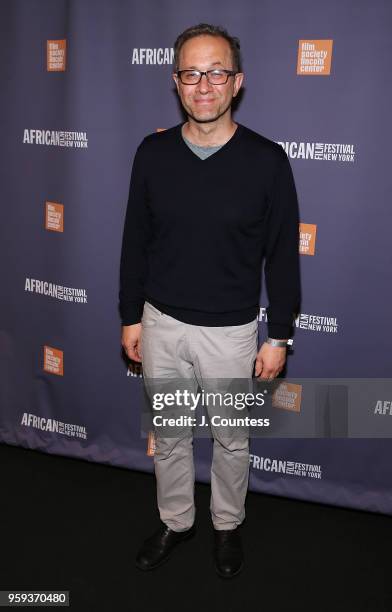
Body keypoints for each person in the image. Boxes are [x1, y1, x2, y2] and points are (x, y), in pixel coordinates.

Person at [119, 23, 301, 578]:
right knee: (170, 437)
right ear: (176, 82)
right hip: (163, 326)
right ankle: (177, 521)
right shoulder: (152, 154)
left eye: (216, 72)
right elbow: (135, 241)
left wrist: (280, 334)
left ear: (236, 82)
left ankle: (227, 525)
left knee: (231, 439)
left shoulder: (268, 161)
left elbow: (283, 257)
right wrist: (131, 316)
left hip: (232, 334)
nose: (204, 85)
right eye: (192, 73)